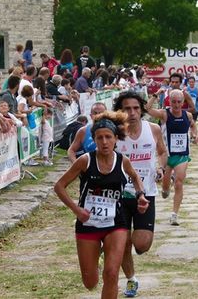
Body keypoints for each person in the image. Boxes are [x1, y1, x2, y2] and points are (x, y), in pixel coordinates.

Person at [54, 111, 149, 299]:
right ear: (94, 140)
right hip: (88, 225)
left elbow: (135, 177)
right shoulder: (85, 161)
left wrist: (140, 195)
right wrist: (76, 210)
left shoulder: (123, 161)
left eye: (108, 137)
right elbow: (59, 186)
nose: (104, 142)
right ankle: (94, 258)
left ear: (116, 139)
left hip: (116, 224)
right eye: (100, 138)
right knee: (90, 283)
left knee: (112, 274)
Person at [113, 91, 168, 298]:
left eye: (136, 108)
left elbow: (162, 152)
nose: (132, 112)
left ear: (142, 109)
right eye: (127, 108)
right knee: (123, 242)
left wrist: (161, 169)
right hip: (120, 194)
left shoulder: (152, 129)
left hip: (146, 193)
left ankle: (134, 247)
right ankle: (131, 279)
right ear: (121, 110)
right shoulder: (115, 132)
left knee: (142, 244)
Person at [146, 89, 198, 225]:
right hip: (167, 155)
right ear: (170, 101)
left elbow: (193, 126)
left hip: (182, 155)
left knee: (179, 183)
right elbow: (147, 108)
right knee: (165, 187)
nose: (176, 105)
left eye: (179, 102)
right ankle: (165, 189)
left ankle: (174, 214)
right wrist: (156, 94)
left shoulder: (187, 115)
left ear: (182, 102)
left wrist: (194, 134)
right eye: (173, 102)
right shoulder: (165, 114)